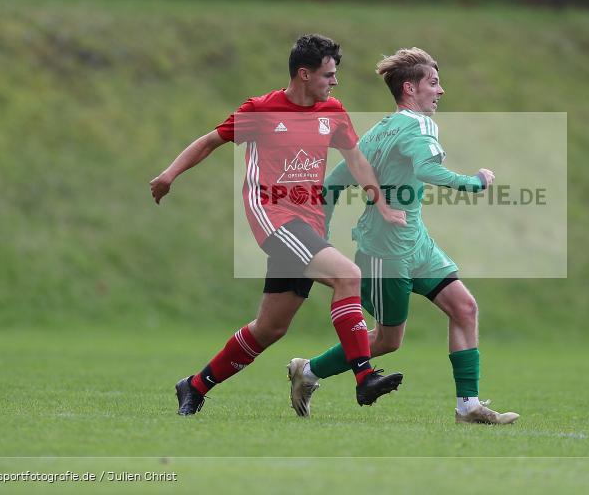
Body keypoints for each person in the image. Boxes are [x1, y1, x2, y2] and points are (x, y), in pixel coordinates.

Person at [150, 34, 405, 416]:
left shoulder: (332, 111)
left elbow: (355, 160)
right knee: (348, 276)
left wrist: (380, 203)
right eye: (328, 74)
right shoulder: (262, 110)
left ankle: (195, 385)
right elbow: (209, 141)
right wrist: (169, 175)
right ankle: (364, 377)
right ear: (304, 74)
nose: (334, 82)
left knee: (270, 328)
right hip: (273, 217)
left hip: (309, 223)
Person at [287, 47, 519, 424]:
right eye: (434, 82)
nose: (441, 91)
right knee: (387, 340)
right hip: (384, 250)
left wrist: (321, 234)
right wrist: (473, 182)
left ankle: (468, 407)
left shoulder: (380, 130)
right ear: (409, 88)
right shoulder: (419, 125)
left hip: (416, 243)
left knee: (465, 308)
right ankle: (307, 372)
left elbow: (331, 185)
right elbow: (427, 168)